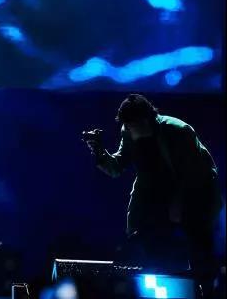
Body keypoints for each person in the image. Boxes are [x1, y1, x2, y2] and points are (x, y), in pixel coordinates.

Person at [83, 94, 222, 295]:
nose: (130, 130)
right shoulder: (128, 131)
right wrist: (98, 150)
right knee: (148, 243)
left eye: (133, 125)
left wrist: (179, 202)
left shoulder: (178, 131)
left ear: (146, 119)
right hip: (157, 197)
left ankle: (206, 290)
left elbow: (196, 175)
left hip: (196, 195)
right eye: (127, 126)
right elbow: (117, 166)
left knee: (200, 251)